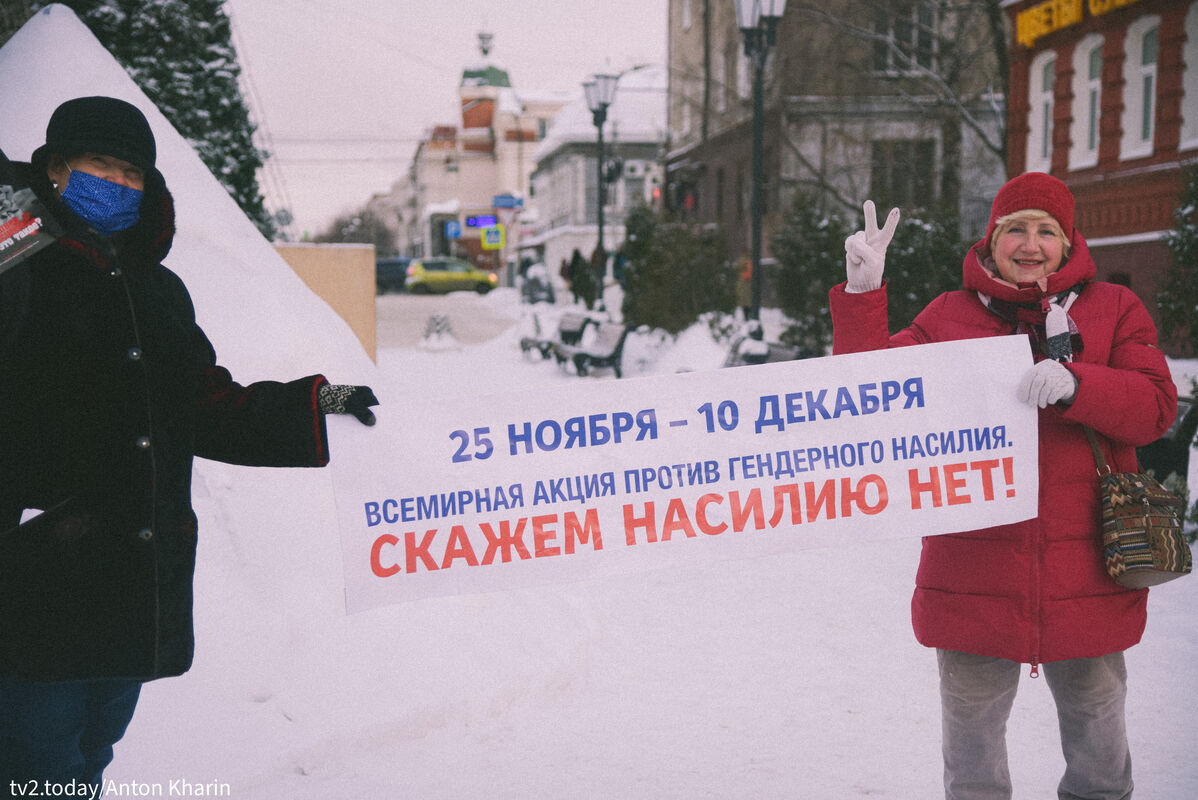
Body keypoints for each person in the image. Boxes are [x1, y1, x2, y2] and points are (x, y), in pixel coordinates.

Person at [0, 96, 379, 790]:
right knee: (36, 774)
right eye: (97, 164)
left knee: (89, 762)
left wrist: (324, 402)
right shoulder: (19, 268)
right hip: (36, 587)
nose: (116, 182)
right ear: (55, 170)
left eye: (131, 171)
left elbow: (209, 406)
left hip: (130, 588)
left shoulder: (158, 289)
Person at [829, 172, 1176, 800]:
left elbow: (1156, 407)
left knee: (1100, 748)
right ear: (991, 242)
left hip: (1092, 571)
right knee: (973, 760)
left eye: (1047, 230)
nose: (1030, 243)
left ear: (1069, 245)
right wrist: (863, 292)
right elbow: (868, 399)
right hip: (973, 576)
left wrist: (1080, 386)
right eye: (1015, 228)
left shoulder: (1115, 310)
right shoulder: (949, 315)